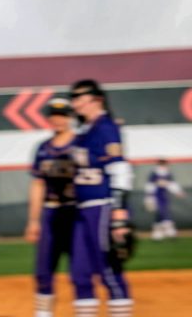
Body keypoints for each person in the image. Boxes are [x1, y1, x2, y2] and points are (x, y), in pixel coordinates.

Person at [69, 80, 134, 317]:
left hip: (102, 207)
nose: (75, 102)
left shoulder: (106, 128)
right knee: (79, 272)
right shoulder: (84, 132)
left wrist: (119, 213)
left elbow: (120, 170)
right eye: (73, 97)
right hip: (81, 209)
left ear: (97, 99)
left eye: (79, 97)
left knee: (108, 269)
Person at [23, 98, 77, 317]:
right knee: (43, 272)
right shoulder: (43, 148)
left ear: (71, 117)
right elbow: (38, 185)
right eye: (54, 114)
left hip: (76, 214)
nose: (57, 119)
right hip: (51, 213)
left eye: (63, 114)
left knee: (80, 272)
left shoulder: (80, 144)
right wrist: (33, 221)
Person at [144, 159, 186, 240]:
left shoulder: (167, 174)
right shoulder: (154, 173)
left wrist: (178, 192)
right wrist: (149, 198)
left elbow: (171, 184)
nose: (167, 167)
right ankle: (169, 230)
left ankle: (157, 233)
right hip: (155, 196)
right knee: (162, 212)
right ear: (161, 165)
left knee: (160, 213)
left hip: (163, 195)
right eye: (166, 165)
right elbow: (150, 185)